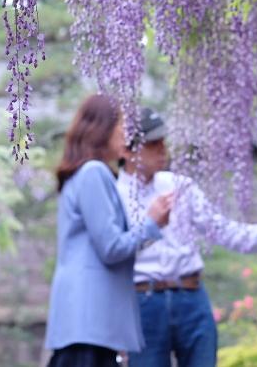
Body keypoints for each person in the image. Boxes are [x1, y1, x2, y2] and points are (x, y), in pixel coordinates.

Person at [118, 107, 257, 367]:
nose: (163, 150)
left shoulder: (180, 185)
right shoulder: (112, 193)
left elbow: (222, 229)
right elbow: (112, 251)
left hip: (191, 294)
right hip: (143, 300)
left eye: (164, 142)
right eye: (153, 144)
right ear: (128, 151)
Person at [45, 95, 174, 367]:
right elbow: (111, 247)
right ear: (103, 130)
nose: (127, 136)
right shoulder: (93, 173)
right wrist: (151, 223)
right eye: (122, 128)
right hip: (88, 320)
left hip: (86, 323)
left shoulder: (84, 174)